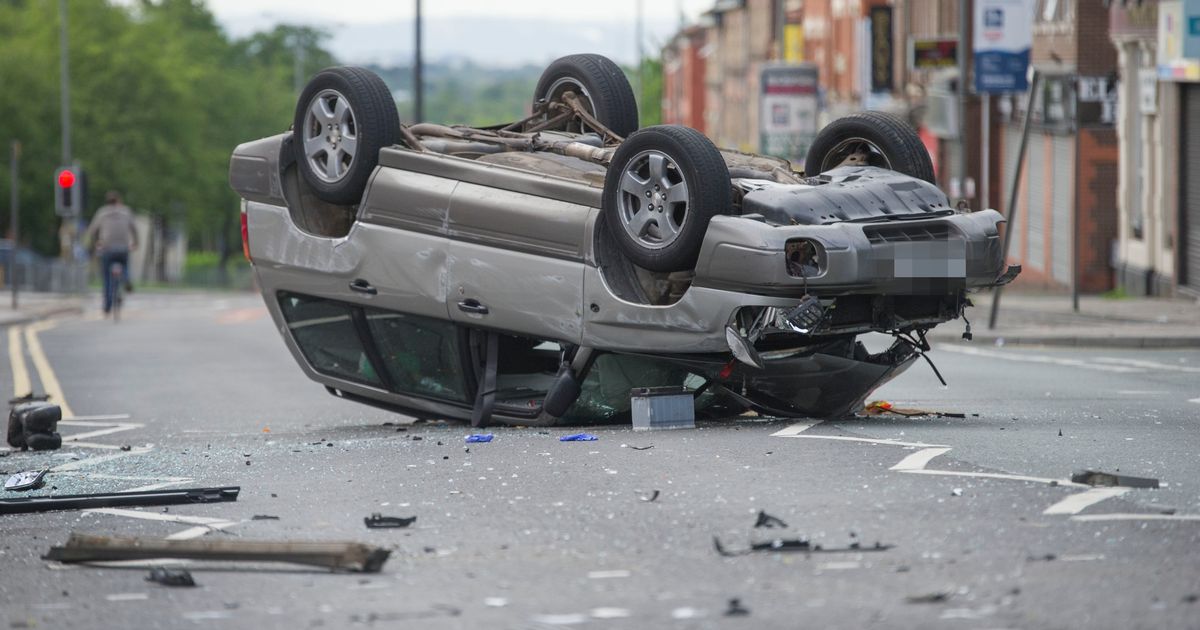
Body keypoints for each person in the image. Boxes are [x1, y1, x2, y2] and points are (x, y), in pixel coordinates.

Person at [84, 191, 138, 315]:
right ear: (119, 201)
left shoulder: (102, 212)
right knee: (125, 265)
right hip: (123, 248)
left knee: (107, 277)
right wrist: (135, 243)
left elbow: (92, 230)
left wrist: (95, 244)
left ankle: (107, 305)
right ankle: (126, 279)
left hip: (107, 248)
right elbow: (134, 229)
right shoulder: (126, 211)